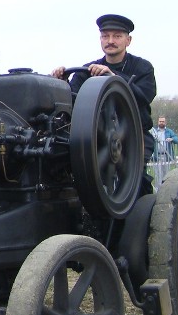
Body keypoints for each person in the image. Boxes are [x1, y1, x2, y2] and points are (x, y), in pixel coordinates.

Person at [52, 14, 157, 194]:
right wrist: (61, 83)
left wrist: (113, 77)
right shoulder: (88, 70)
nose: (110, 41)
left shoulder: (142, 68)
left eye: (117, 36)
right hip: (95, 140)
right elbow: (71, 100)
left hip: (133, 138)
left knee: (133, 183)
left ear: (128, 40)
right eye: (105, 36)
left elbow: (144, 97)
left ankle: (137, 212)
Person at [149, 116, 178, 185]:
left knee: (166, 175)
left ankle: (165, 189)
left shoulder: (169, 131)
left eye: (163, 121)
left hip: (166, 156)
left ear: (165, 122)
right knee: (158, 175)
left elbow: (177, 139)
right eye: (160, 121)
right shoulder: (154, 132)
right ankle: (158, 190)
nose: (161, 123)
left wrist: (172, 139)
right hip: (156, 156)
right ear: (158, 122)